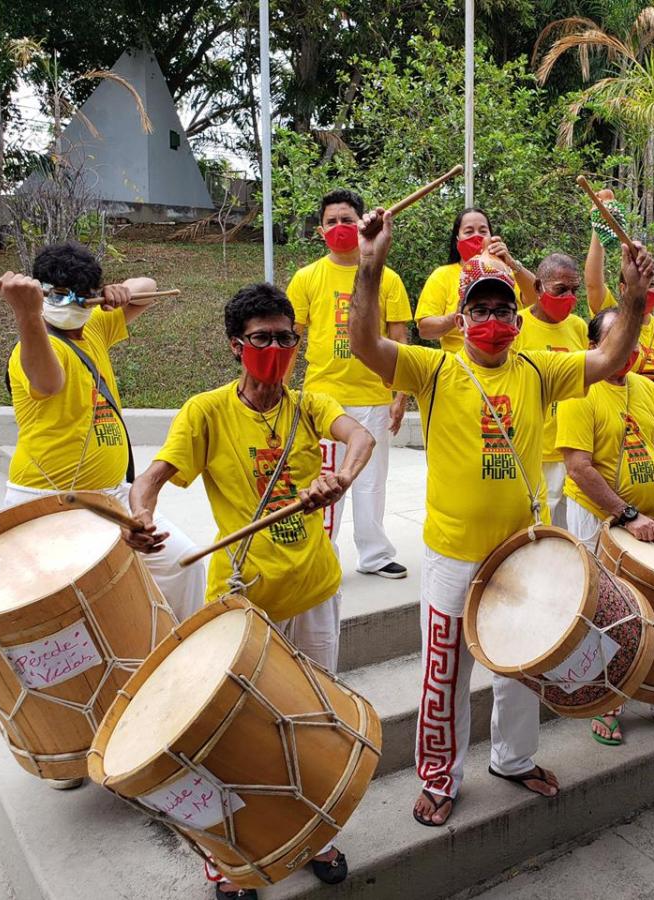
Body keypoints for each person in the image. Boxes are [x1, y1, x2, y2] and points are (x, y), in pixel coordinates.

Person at [348, 205, 654, 828]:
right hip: (452, 554)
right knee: (445, 673)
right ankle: (439, 777)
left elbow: (607, 358)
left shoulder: (539, 370)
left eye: (502, 309)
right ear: (462, 320)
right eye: (480, 310)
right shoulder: (434, 368)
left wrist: (632, 297)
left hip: (522, 551)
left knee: (524, 662)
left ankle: (513, 760)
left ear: (518, 319)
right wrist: (370, 266)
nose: (492, 320)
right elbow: (364, 344)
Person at [125, 283, 375, 898]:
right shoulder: (206, 411)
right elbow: (152, 477)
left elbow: (361, 438)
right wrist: (141, 516)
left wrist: (341, 478)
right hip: (243, 598)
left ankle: (315, 833)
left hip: (314, 588)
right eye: (262, 338)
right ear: (236, 345)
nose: (275, 348)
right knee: (235, 730)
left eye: (286, 338)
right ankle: (229, 857)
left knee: (316, 719)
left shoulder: (311, 404)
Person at [0, 242, 203, 624]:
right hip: (47, 500)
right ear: (40, 293)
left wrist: (120, 291)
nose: (69, 303)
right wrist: (26, 314)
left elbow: (149, 287)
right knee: (74, 608)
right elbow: (48, 382)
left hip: (110, 496)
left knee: (183, 563)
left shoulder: (93, 326)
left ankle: (186, 648)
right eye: (58, 294)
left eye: (81, 295)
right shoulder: (34, 347)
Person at [556, 308, 654, 745]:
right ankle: (607, 700)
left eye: (633, 339)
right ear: (593, 347)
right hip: (598, 516)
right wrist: (627, 514)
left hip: (650, 517)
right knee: (607, 610)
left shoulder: (646, 388)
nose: (629, 348)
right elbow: (579, 468)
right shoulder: (578, 392)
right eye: (617, 338)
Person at [287, 188, 410, 580]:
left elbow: (399, 339)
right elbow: (291, 339)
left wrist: (400, 394)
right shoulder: (306, 278)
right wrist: (283, 392)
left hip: (373, 397)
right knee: (324, 481)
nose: (339, 226)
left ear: (362, 224)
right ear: (320, 230)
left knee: (370, 482)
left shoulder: (387, 277)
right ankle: (322, 554)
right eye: (331, 221)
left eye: (347, 220)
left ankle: (375, 554)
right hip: (322, 400)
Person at [513, 253, 589, 528]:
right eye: (561, 289)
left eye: (574, 290)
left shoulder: (578, 327)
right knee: (537, 532)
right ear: (538, 287)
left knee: (571, 536)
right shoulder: (517, 327)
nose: (569, 297)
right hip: (535, 453)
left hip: (574, 452)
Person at [584, 189, 654, 404]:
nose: (644, 289)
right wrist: (600, 225)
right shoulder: (612, 318)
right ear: (622, 287)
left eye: (651, 284)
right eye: (636, 283)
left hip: (652, 420)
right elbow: (593, 283)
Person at [415, 207, 537, 352]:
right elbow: (425, 330)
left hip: (507, 360)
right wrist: (458, 315)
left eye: (483, 231)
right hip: (458, 362)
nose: (477, 236)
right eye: (469, 231)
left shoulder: (507, 272)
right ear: (457, 239)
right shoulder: (442, 275)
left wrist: (512, 264)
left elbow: (537, 298)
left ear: (492, 237)